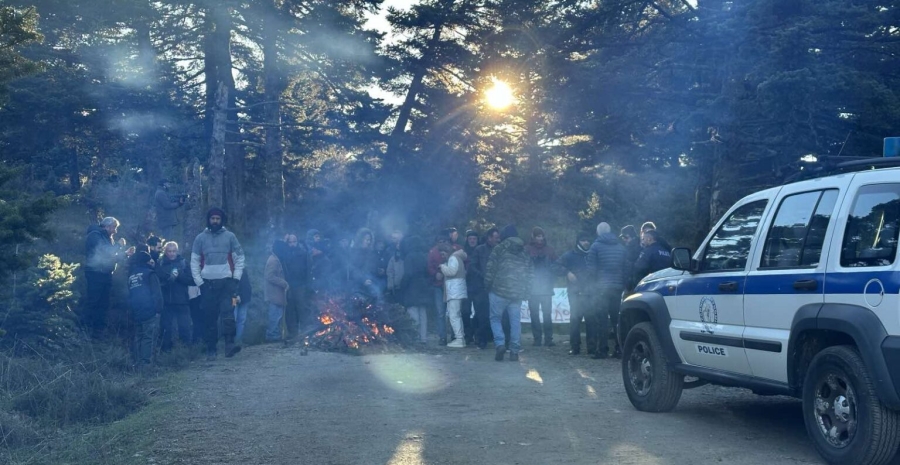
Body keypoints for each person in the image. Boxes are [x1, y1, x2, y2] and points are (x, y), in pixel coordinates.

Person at [190, 207, 246, 361]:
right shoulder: (200, 238)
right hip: (207, 284)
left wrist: (236, 279)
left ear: (222, 220)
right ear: (208, 220)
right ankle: (211, 349)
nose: (215, 221)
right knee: (210, 317)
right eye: (213, 218)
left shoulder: (230, 237)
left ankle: (229, 345)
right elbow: (194, 262)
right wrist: (199, 283)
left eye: (218, 219)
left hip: (227, 283)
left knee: (228, 315)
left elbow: (240, 258)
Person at [484, 225, 533, 362]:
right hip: (517, 292)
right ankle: (514, 351)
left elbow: (490, 269)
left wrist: (487, 286)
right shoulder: (524, 251)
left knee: (495, 319)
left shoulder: (499, 248)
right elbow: (530, 273)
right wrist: (526, 291)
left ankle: (500, 344)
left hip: (498, 291)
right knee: (515, 321)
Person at [83, 216, 135, 339]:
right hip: (95, 274)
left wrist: (125, 254)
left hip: (105, 274)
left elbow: (110, 257)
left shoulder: (107, 238)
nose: (115, 231)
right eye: (114, 228)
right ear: (107, 226)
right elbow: (105, 252)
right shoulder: (95, 235)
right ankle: (86, 329)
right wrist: (118, 245)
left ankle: (98, 332)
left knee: (103, 304)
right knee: (94, 302)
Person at [585, 222, 629, 359]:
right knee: (617, 320)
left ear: (598, 232)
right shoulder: (621, 247)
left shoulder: (595, 247)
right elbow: (625, 268)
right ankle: (619, 349)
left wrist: (592, 286)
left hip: (601, 288)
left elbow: (591, 270)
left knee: (601, 320)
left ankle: (602, 350)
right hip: (617, 288)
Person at [555, 232, 596, 355]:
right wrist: (567, 272)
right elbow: (555, 266)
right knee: (575, 321)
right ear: (578, 242)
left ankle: (592, 348)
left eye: (588, 240)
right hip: (575, 293)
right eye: (583, 240)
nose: (586, 242)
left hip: (590, 293)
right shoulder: (569, 255)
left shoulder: (593, 255)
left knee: (591, 321)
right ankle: (575, 347)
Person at [127, 250, 163, 370]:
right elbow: (157, 294)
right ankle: (146, 364)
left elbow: (130, 294)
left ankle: (137, 363)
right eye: (149, 259)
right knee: (149, 337)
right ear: (146, 261)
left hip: (136, 310)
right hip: (149, 310)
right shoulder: (150, 274)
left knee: (139, 336)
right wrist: (158, 310)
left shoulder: (131, 275)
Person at [157, 241, 193, 351]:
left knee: (184, 327)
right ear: (165, 251)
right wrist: (169, 278)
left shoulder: (183, 263)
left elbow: (191, 280)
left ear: (177, 251)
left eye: (174, 251)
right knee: (166, 328)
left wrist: (179, 276)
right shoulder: (160, 263)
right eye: (169, 251)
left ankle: (185, 351)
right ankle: (166, 352)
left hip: (182, 301)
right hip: (166, 301)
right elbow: (158, 280)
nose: (172, 254)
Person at [526, 226, 558, 347]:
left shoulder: (549, 250)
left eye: (541, 236)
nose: (540, 238)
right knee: (534, 315)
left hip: (546, 288)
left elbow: (556, 264)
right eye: (537, 236)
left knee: (547, 315)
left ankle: (549, 339)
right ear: (533, 237)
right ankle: (537, 339)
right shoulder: (527, 249)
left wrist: (551, 275)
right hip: (532, 289)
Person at [469, 228, 500, 349]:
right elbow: (472, 266)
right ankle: (481, 339)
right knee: (482, 314)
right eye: (496, 237)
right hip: (481, 287)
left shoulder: (499, 250)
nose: (498, 240)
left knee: (494, 314)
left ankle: (489, 336)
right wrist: (482, 276)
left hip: (495, 286)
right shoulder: (479, 249)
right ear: (489, 238)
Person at [399, 236, 430, 346]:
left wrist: (401, 286)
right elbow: (428, 272)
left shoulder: (409, 257)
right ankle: (423, 338)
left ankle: (415, 337)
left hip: (412, 288)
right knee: (423, 313)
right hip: (423, 286)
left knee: (413, 313)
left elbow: (408, 274)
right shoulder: (424, 256)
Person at [282, 233, 310, 339]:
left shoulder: (303, 253)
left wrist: (307, 284)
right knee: (290, 309)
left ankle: (305, 331)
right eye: (290, 242)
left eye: (294, 242)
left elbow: (308, 269)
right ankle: (293, 332)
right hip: (288, 285)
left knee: (301, 308)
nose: (293, 244)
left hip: (301, 284)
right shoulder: (284, 253)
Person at [440, 245, 468, 348]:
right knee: (456, 315)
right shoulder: (458, 258)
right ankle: (460, 338)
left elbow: (451, 272)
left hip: (454, 290)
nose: (442, 256)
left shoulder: (453, 258)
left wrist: (442, 266)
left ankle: (459, 339)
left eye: (443, 254)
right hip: (457, 290)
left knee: (454, 316)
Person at [427, 234, 451, 345]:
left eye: (444, 241)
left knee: (453, 312)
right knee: (440, 313)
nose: (442, 243)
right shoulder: (432, 252)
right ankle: (442, 337)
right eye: (439, 241)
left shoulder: (453, 250)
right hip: (438, 286)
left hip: (451, 285)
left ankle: (455, 336)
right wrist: (435, 274)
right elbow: (429, 266)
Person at [264, 239, 290, 342]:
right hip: (274, 293)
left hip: (277, 293)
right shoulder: (273, 261)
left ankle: (275, 335)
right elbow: (269, 276)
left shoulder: (276, 258)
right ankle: (272, 336)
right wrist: (284, 283)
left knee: (277, 315)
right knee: (275, 316)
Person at [461, 229, 480, 344]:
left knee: (479, 311)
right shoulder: (462, 252)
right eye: (470, 239)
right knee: (465, 311)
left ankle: (477, 333)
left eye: (474, 239)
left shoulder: (481, 251)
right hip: (465, 285)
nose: (472, 241)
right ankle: (467, 334)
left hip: (478, 285)